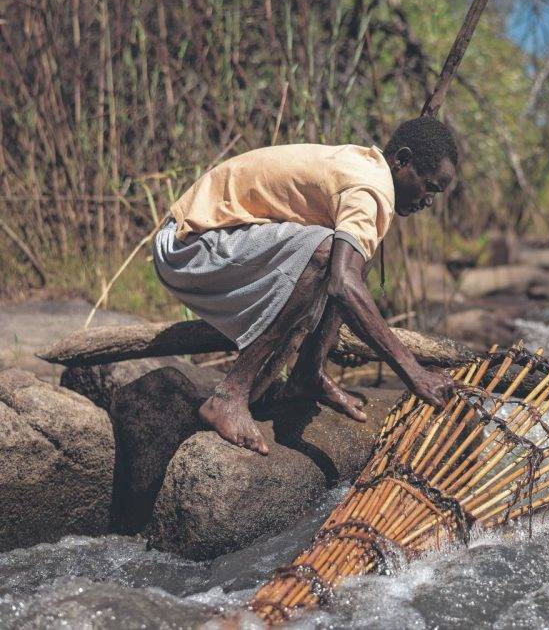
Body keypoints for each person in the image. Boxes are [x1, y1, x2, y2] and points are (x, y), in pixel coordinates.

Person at [152, 117, 458, 455]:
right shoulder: (369, 188)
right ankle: (229, 395)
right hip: (186, 246)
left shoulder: (369, 173)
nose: (429, 201)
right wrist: (413, 372)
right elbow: (341, 286)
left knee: (354, 252)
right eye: (430, 187)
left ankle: (308, 373)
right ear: (401, 160)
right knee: (329, 254)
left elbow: (347, 274)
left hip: (214, 244)